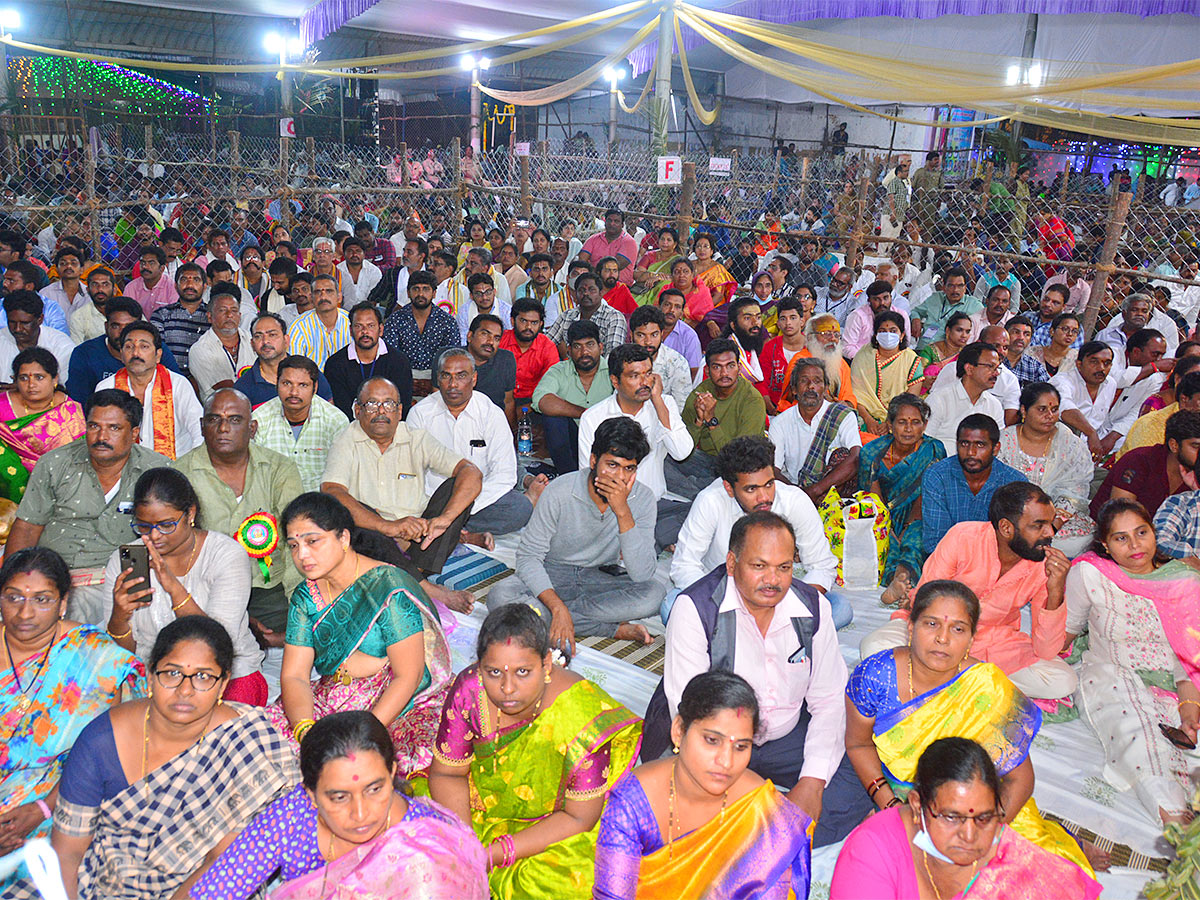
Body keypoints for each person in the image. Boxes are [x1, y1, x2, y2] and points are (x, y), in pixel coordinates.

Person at [650, 510, 870, 847]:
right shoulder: (695, 609)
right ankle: (772, 837)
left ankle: (751, 838)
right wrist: (745, 788)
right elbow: (694, 716)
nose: (773, 580)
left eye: (784, 567)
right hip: (713, 740)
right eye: (759, 566)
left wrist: (811, 783)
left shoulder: (813, 608)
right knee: (665, 804)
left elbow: (828, 700)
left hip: (786, 735)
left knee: (861, 770)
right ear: (731, 563)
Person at [40, 617, 298, 900]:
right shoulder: (102, 739)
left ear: (223, 684)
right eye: (172, 673)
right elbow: (68, 852)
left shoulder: (247, 741)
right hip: (104, 881)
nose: (185, 690)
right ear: (150, 676)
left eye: (203, 676)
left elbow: (221, 862)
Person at [428, 604, 640, 899]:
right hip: (475, 810)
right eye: (493, 672)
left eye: (523, 672)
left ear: (547, 664)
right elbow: (447, 774)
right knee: (410, 833)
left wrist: (491, 855)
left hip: (556, 828)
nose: (507, 688)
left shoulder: (582, 714)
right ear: (480, 667)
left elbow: (579, 818)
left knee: (577, 881)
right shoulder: (469, 689)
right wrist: (465, 843)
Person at [189, 710, 486, 899]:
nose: (360, 814)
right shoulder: (291, 818)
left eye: (374, 788)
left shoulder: (424, 852)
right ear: (310, 793)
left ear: (392, 774)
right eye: (339, 797)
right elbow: (215, 892)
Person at [267, 492, 453, 776]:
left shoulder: (386, 588)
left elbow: (409, 675)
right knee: (268, 744)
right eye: (294, 545)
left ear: (343, 538)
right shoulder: (306, 596)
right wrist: (306, 730)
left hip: (396, 705)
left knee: (371, 767)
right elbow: (294, 675)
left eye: (313, 541)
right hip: (336, 693)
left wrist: (362, 735)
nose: (302, 555)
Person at [595, 671, 811, 899]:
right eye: (711, 740)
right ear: (679, 731)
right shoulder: (633, 803)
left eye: (740, 747)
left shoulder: (764, 813)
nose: (726, 762)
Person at [866, 482, 1080, 702]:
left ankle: (941, 678)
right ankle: (969, 680)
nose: (1049, 532)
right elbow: (925, 603)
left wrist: (1055, 590)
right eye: (1039, 525)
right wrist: (946, 639)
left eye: (1050, 523)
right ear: (1006, 528)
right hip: (936, 628)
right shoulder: (963, 536)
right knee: (875, 647)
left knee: (1062, 681)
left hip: (993, 641)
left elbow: (1046, 651)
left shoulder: (1045, 565)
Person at [0, 548, 143, 860]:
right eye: (14, 598)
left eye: (42, 599)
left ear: (63, 603)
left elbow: (110, 753)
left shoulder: (95, 656)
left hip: (64, 800)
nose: (25, 613)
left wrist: (42, 808)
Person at [1066, 499, 1200, 824]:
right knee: (1140, 739)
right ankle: (1179, 830)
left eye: (1141, 532)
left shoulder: (1182, 582)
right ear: (1105, 545)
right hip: (1112, 672)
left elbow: (1190, 656)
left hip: (1176, 682)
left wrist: (1189, 706)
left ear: (1154, 533)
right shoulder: (1090, 573)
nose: (1135, 545)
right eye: (1121, 538)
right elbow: (1068, 630)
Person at [831, 737, 1100, 898]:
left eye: (983, 818)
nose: (970, 836)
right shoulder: (871, 851)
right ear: (916, 804)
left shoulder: (1007, 854)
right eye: (951, 817)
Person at [486, 417, 664, 648]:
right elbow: (529, 557)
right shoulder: (560, 491)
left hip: (599, 577)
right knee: (500, 597)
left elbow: (642, 574)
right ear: (593, 461)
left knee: (655, 594)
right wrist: (556, 606)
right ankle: (608, 628)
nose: (619, 478)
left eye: (628, 469)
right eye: (611, 465)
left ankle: (553, 618)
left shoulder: (643, 498)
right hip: (553, 572)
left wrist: (623, 512)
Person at [101, 467, 265, 704]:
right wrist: (118, 617)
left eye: (166, 525)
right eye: (144, 526)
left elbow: (219, 645)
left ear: (190, 513)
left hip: (224, 676)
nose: (154, 536)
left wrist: (173, 587)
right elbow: (123, 655)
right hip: (153, 678)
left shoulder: (226, 555)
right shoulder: (123, 561)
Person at [7, 390, 171, 624]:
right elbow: (26, 529)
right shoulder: (56, 464)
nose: (101, 436)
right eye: (94, 426)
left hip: (123, 579)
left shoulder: (157, 470)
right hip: (56, 576)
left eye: (114, 428)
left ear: (134, 433)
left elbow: (173, 534)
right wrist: (14, 584)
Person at [321, 376, 483, 595]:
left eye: (388, 404)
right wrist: (388, 526)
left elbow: (471, 472)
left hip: (421, 539)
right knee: (349, 513)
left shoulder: (417, 438)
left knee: (459, 489)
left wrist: (443, 521)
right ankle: (423, 585)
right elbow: (331, 490)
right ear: (357, 410)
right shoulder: (346, 439)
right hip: (375, 538)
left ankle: (412, 572)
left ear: (399, 412)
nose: (380, 411)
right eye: (371, 404)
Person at [174, 388, 304, 647]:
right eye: (214, 419)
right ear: (202, 426)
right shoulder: (180, 474)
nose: (223, 428)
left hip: (269, 589)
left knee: (317, 625)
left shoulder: (280, 469)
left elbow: (297, 540)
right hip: (206, 590)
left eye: (235, 420)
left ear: (252, 428)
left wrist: (298, 611)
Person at [670, 434, 837, 595]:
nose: (764, 497)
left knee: (839, 607)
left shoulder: (795, 501)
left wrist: (789, 605)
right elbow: (684, 565)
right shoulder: (710, 501)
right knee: (672, 604)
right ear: (729, 488)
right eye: (751, 489)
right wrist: (724, 601)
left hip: (777, 594)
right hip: (721, 591)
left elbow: (821, 566)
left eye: (769, 484)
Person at [408, 348, 538, 540]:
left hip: (477, 498)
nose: (453, 384)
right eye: (446, 376)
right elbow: (412, 470)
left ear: (474, 379)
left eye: (461, 376)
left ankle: (447, 528)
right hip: (432, 498)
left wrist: (461, 506)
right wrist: (440, 507)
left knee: (520, 508)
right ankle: (461, 534)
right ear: (437, 379)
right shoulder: (420, 414)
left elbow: (504, 474)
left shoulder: (491, 414)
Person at [578, 344, 693, 548]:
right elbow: (589, 476)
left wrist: (658, 403)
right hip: (613, 508)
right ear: (615, 381)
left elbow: (682, 452)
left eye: (648, 374)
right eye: (634, 376)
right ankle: (647, 541)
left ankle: (644, 541)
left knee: (695, 512)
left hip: (656, 505)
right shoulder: (593, 418)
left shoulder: (664, 404)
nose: (644, 382)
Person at [857, 393, 946, 587]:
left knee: (915, 538)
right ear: (890, 424)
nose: (908, 429)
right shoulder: (871, 453)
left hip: (918, 515)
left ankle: (905, 577)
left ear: (925, 425)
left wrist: (906, 528)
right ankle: (895, 583)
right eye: (902, 422)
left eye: (915, 422)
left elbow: (926, 497)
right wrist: (888, 529)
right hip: (879, 515)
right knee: (883, 539)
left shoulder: (933, 450)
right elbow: (873, 502)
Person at [999, 383, 1096, 558]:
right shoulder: (1004, 441)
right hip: (1014, 517)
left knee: (1078, 543)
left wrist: (1051, 526)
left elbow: (1075, 492)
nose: (1049, 416)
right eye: (1042, 409)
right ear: (1024, 410)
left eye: (1055, 409)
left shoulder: (1069, 444)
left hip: (1057, 519)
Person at [671, 338, 767, 500]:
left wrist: (712, 421)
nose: (724, 374)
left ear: (739, 367)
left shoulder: (752, 400)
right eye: (717, 367)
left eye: (730, 366)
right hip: (707, 462)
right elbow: (684, 449)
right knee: (665, 457)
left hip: (740, 469)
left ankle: (703, 494)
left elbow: (740, 458)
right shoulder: (701, 393)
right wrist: (699, 422)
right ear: (707, 370)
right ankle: (706, 493)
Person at [95, 321, 204, 460]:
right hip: (123, 471)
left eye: (144, 346)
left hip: (174, 469)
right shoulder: (106, 388)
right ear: (121, 354)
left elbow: (198, 430)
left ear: (158, 355)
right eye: (129, 347)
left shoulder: (177, 385)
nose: (135, 353)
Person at [918, 414, 1024, 554]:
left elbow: (1014, 541)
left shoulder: (1014, 483)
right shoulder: (938, 476)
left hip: (996, 564)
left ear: (996, 448)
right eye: (964, 444)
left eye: (980, 445)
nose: (971, 452)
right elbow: (935, 541)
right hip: (947, 563)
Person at [250, 354, 349, 492]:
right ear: (277, 384)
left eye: (303, 385)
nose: (294, 392)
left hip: (320, 504)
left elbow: (341, 477)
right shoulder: (260, 419)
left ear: (315, 388)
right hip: (273, 502)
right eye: (287, 383)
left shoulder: (335, 421)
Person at [0, 348, 84, 503]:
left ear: (54, 379)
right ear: (15, 381)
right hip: (8, 493)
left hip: (61, 487)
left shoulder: (69, 409)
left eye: (39, 377)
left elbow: (79, 455)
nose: (31, 385)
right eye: (24, 378)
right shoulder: (2, 406)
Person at [769, 358, 860, 501]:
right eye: (804, 381)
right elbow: (773, 470)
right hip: (794, 494)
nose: (811, 386)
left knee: (843, 456)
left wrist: (815, 491)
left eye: (817, 381)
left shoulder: (842, 416)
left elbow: (855, 458)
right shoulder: (780, 423)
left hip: (834, 496)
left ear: (825, 388)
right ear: (794, 389)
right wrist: (801, 496)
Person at [531, 320, 613, 474]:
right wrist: (586, 414)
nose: (584, 352)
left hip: (607, 439)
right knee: (553, 418)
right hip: (572, 442)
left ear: (600, 347)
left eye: (590, 345)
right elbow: (541, 400)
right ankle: (567, 476)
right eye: (577, 346)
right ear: (568, 350)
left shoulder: (612, 371)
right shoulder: (559, 371)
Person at [323, 301, 413, 420]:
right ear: (351, 330)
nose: (365, 332)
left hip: (389, 427)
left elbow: (402, 406)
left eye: (370, 326)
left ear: (380, 329)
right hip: (350, 430)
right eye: (358, 326)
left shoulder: (399, 361)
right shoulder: (335, 364)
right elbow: (340, 411)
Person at [234, 312, 335, 409]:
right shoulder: (243, 387)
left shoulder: (309, 373)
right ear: (252, 344)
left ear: (286, 340)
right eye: (258, 336)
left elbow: (330, 414)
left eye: (272, 335)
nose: (265, 341)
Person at [850, 310, 925, 435]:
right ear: (875, 335)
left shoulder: (912, 360)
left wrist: (889, 422)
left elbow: (910, 400)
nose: (888, 335)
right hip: (863, 416)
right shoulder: (863, 355)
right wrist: (868, 420)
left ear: (902, 335)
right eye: (882, 331)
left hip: (898, 417)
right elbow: (855, 394)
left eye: (893, 331)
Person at [924, 342, 1006, 456]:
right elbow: (924, 445)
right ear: (969, 369)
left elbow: (997, 449)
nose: (996, 373)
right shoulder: (939, 400)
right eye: (990, 367)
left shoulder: (994, 405)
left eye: (997, 368)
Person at [382, 270, 461, 387]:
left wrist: (434, 383)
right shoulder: (395, 320)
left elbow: (451, 357)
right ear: (408, 293)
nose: (420, 294)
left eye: (426, 289)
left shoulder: (447, 322)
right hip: (402, 378)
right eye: (416, 289)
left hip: (438, 380)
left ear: (434, 293)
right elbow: (391, 357)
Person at [186, 286, 255, 401]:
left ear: (240, 316)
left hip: (256, 407)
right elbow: (227, 389)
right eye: (222, 310)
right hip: (221, 410)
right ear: (209, 317)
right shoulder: (200, 349)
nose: (229, 315)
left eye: (234, 310)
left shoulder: (251, 340)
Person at [546, 271, 628, 355]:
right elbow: (545, 344)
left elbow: (613, 355)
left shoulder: (613, 317)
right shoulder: (567, 316)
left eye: (591, 290)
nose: (585, 293)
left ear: (600, 293)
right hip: (570, 367)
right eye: (581, 290)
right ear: (576, 294)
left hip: (602, 367)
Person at [0, 291, 74, 382]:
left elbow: (64, 387)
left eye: (25, 323)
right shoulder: (2, 338)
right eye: (12, 322)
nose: (17, 329)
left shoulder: (62, 346)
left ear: (40, 319)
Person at [150, 263, 210, 375]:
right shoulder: (161, 316)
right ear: (176, 286)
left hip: (205, 381)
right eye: (184, 279)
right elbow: (156, 352)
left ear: (205, 286)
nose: (190, 284)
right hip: (169, 379)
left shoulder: (212, 317)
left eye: (196, 280)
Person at [629, 304, 691, 411]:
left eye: (654, 335)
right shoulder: (619, 360)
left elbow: (681, 409)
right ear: (631, 335)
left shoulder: (678, 363)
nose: (648, 341)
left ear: (662, 334)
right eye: (641, 335)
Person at [288, 273, 352, 369]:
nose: (323, 297)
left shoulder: (351, 322)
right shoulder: (299, 327)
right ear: (312, 298)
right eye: (318, 292)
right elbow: (294, 367)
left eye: (329, 291)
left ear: (339, 297)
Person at [909, 267, 982, 348]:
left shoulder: (974, 305)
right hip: (923, 348)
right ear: (944, 287)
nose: (955, 290)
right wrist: (916, 319)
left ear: (965, 288)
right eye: (951, 286)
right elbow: (916, 311)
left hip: (948, 354)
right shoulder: (935, 298)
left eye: (960, 286)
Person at [464, 313, 517, 422]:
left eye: (496, 338)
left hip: (493, 424)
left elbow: (508, 402)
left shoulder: (506, 359)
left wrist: (510, 435)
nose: (491, 342)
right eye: (485, 334)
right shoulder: (451, 359)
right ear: (470, 336)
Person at [577, 208, 639, 286]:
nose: (612, 224)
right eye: (609, 220)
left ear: (622, 225)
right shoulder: (593, 239)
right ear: (605, 222)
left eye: (616, 221)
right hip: (594, 283)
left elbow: (614, 267)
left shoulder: (629, 242)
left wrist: (591, 271)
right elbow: (581, 260)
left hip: (619, 285)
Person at [657, 287, 703, 377]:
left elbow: (694, 372)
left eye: (677, 307)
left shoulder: (690, 336)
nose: (671, 310)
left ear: (681, 313)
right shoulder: (648, 328)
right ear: (659, 307)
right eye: (667, 305)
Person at [1004, 314, 1051, 386]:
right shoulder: (994, 360)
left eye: (1027, 334)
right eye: (1016, 332)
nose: (1021, 338)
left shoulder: (1035, 367)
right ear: (1006, 334)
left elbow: (1046, 392)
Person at [1030, 312, 1080, 378]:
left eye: (1074, 331)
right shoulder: (1032, 353)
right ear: (1052, 331)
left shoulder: (1077, 359)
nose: (1070, 334)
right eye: (1065, 329)